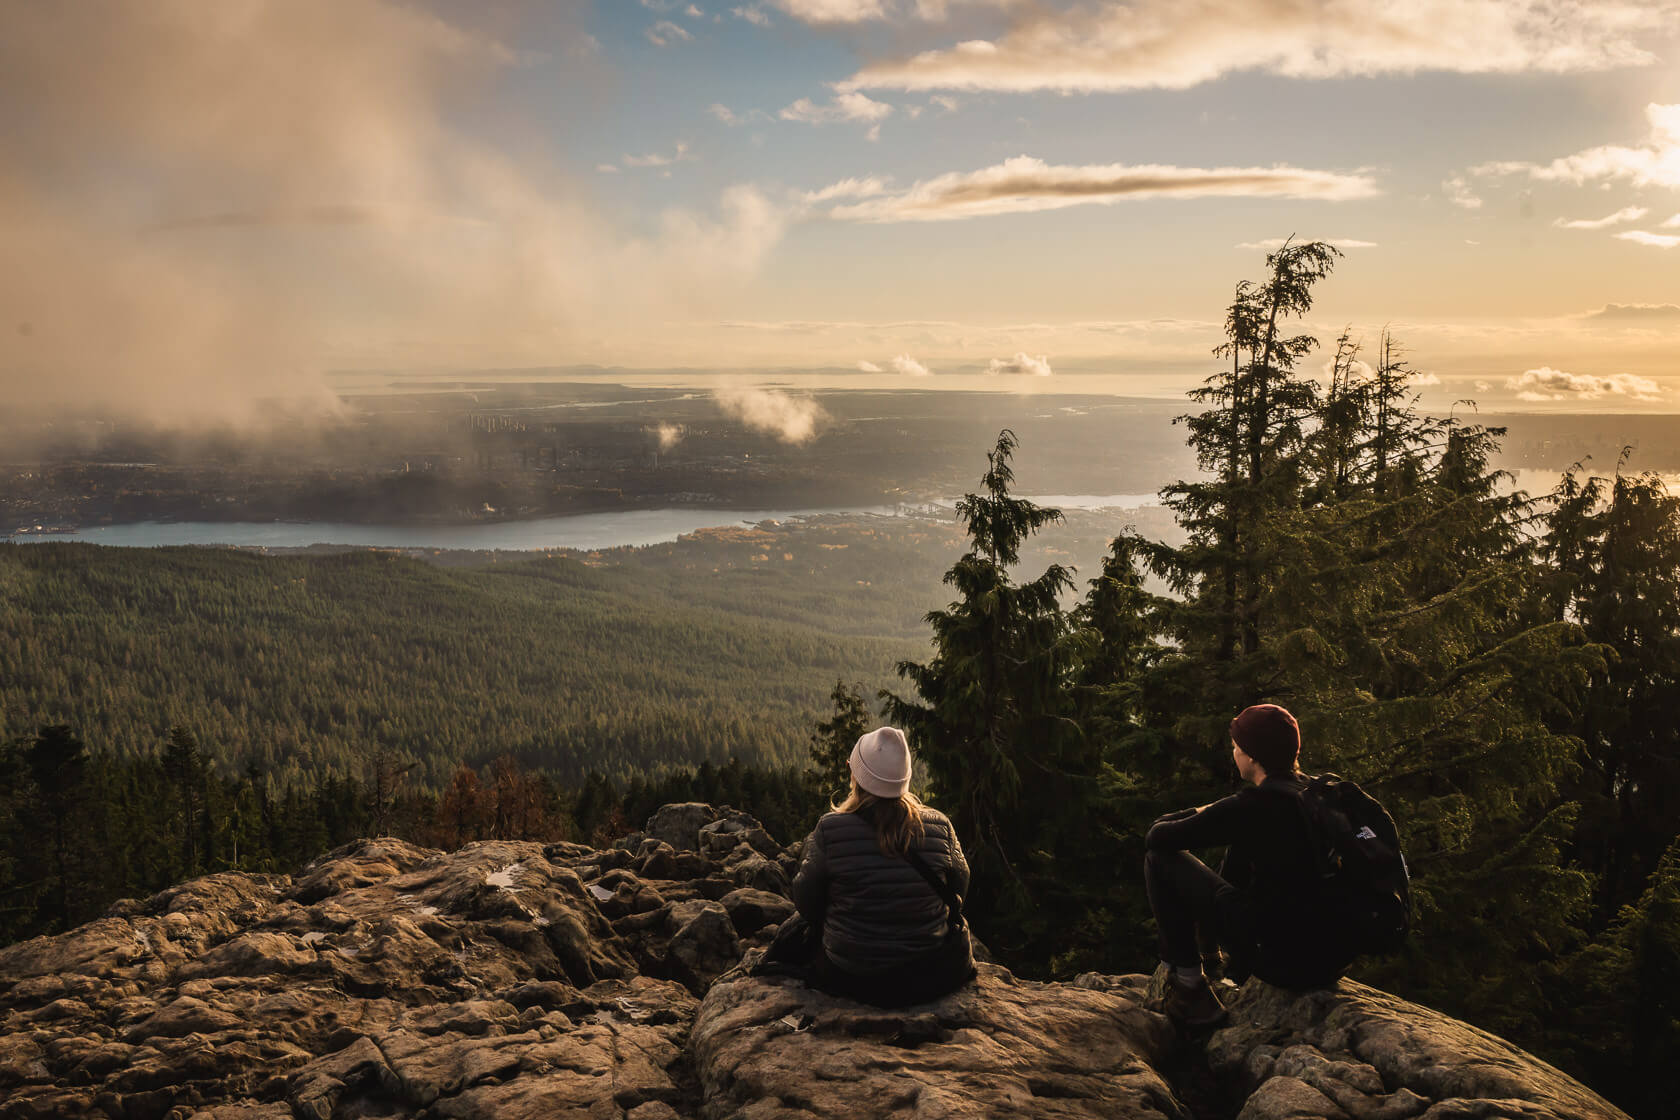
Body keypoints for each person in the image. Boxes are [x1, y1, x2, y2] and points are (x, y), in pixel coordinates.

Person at [1143, 703, 1353, 1028]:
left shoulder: (1255, 806)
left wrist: (1210, 808)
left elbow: (1158, 835)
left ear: (1252, 755)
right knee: (1245, 851)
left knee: (1159, 860)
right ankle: (1213, 960)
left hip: (1284, 963)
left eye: (1236, 747)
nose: (1233, 752)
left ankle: (1189, 988)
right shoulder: (1316, 792)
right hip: (1331, 960)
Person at [784, 726, 975, 1007]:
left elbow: (805, 901)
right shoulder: (939, 827)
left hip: (849, 974)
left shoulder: (830, 829)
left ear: (855, 776)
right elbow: (960, 888)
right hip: (928, 974)